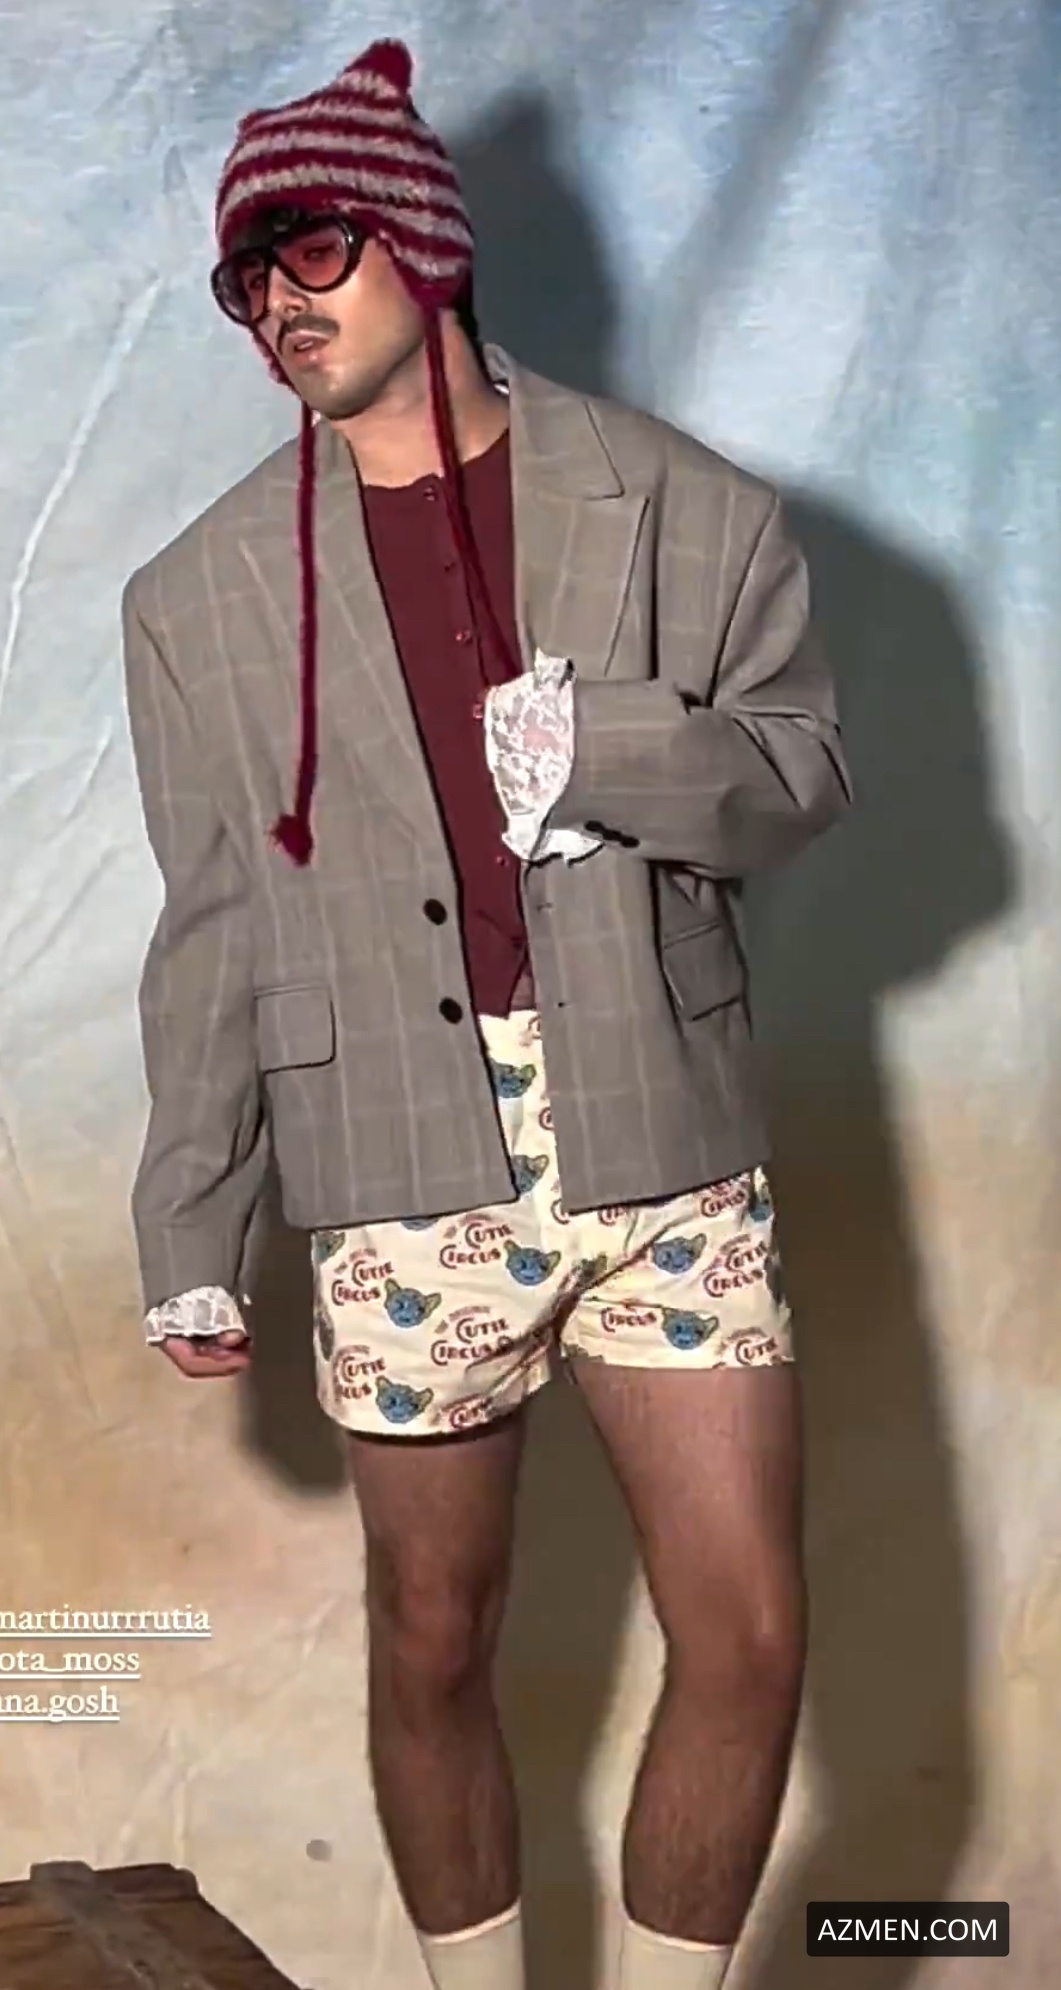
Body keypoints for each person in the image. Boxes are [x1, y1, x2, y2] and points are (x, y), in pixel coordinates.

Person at [121, 36, 851, 1990]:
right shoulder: (196, 600)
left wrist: (618, 751)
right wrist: (192, 1215)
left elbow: (803, 774)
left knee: (749, 1631)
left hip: (659, 1132)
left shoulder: (679, 504)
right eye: (248, 276)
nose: (279, 303)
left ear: (424, 248)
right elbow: (211, 923)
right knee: (431, 1636)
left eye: (315, 251)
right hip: (395, 1154)